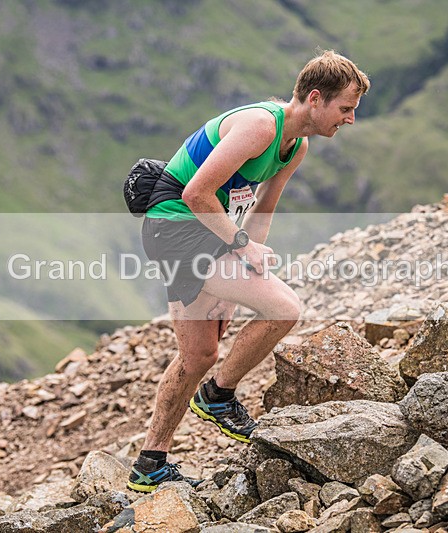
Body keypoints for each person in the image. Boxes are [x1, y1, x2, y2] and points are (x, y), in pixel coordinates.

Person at [127, 50, 370, 493]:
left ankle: (149, 464)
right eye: (346, 108)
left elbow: (262, 209)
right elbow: (197, 193)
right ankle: (218, 397)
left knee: (199, 355)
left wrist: (242, 260)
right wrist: (240, 247)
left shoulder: (295, 146)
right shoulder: (261, 126)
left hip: (201, 231)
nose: (351, 119)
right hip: (176, 226)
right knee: (284, 307)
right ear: (316, 98)